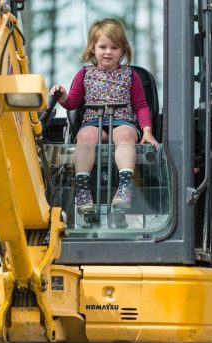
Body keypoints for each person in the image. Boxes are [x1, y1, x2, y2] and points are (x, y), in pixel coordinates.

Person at [50, 18, 158, 214]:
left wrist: (147, 132)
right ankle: (83, 191)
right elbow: (73, 102)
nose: (108, 52)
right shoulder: (84, 75)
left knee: (125, 136)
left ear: (123, 50)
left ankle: (124, 188)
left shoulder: (130, 75)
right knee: (84, 137)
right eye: (103, 47)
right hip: (94, 122)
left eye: (114, 47)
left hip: (123, 122)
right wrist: (62, 95)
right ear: (93, 48)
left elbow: (141, 106)